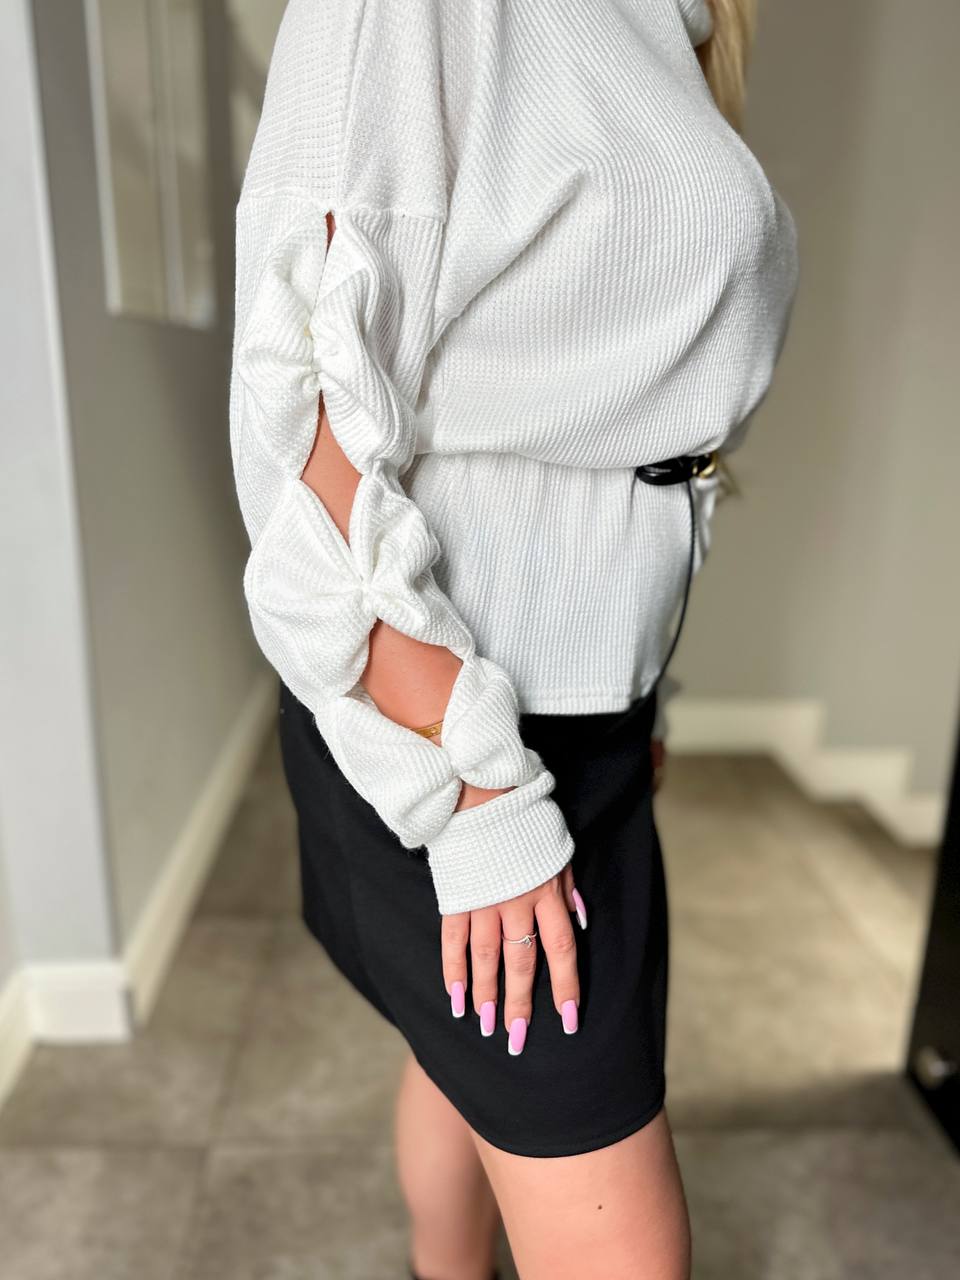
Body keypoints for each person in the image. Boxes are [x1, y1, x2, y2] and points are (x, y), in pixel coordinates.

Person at [228, 0, 799, 1275]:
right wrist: (479, 796)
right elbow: (303, 430)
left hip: (585, 714)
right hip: (442, 722)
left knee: (467, 1067)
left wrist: (636, 693)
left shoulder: (673, 23)